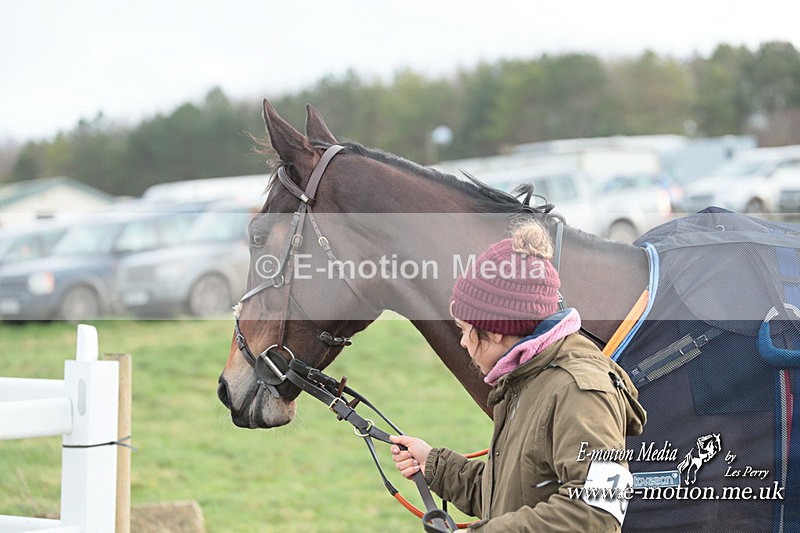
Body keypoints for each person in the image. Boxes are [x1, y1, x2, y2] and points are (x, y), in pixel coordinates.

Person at [390, 220, 647, 531]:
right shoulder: (528, 380)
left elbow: (597, 511)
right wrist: (434, 465)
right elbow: (512, 494)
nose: (462, 342)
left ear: (496, 332)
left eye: (465, 330)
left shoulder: (579, 391)